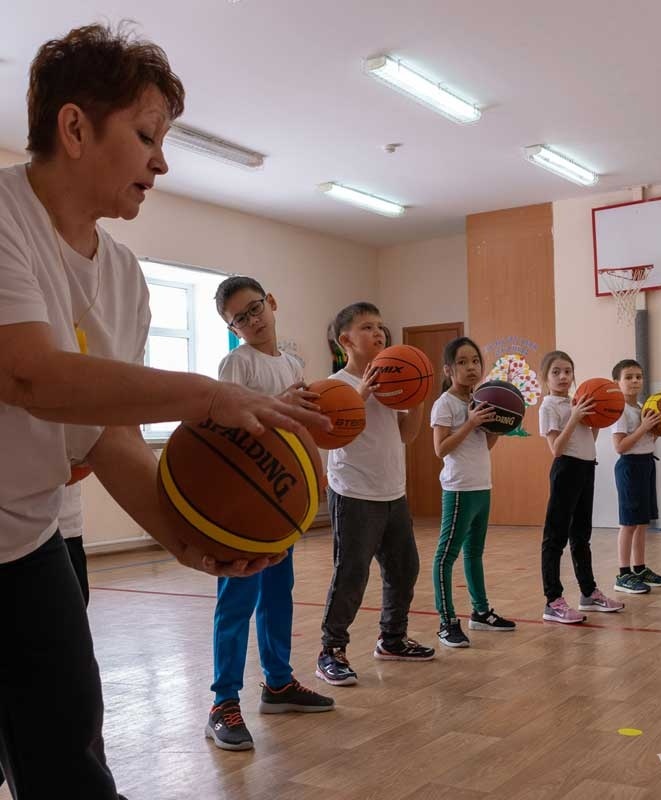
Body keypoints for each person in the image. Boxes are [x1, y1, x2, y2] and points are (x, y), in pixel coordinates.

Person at [0, 24, 327, 799]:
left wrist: (188, 541)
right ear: (74, 128)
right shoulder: (3, 219)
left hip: (29, 540)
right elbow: (31, 377)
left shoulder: (123, 278)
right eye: (146, 135)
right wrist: (210, 394)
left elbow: (107, 437)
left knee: (70, 765)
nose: (161, 160)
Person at [206, 276, 334, 752]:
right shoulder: (235, 364)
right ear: (231, 326)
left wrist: (316, 474)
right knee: (237, 601)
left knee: (280, 594)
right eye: (239, 318)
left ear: (272, 303)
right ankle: (222, 702)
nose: (252, 321)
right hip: (242, 503)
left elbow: (298, 429)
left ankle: (278, 684)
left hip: (282, 502)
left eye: (256, 308)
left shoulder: (294, 364)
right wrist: (277, 405)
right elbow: (226, 430)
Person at [316, 302, 434, 686]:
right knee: (351, 574)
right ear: (346, 340)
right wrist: (362, 395)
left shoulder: (395, 382)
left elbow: (407, 435)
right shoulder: (335, 386)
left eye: (381, 327)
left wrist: (416, 399)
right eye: (368, 327)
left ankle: (392, 639)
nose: (379, 333)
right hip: (353, 492)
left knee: (404, 570)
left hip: (392, 491)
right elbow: (334, 434)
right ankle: (331, 651)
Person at [430, 336, 515, 647]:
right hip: (459, 489)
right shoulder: (445, 404)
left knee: (475, 553)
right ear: (449, 370)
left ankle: (480, 612)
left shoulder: (480, 400)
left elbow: (487, 444)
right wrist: (469, 423)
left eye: (476, 361)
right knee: (445, 556)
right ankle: (446, 620)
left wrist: (497, 426)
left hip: (482, 486)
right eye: (463, 362)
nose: (471, 367)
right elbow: (440, 449)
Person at [538, 351, 623, 623]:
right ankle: (553, 601)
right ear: (546, 377)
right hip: (566, 470)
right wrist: (574, 417)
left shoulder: (580, 401)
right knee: (555, 538)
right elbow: (556, 448)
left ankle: (588, 593)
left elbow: (591, 437)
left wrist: (596, 416)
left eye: (568, 371)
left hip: (587, 468)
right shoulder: (548, 406)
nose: (563, 376)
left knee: (581, 535)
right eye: (556, 372)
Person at [610, 359, 661, 594]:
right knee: (628, 523)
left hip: (646, 464)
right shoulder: (620, 410)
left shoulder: (643, 407)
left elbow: (647, 439)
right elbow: (620, 446)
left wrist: (657, 429)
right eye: (629, 377)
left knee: (642, 522)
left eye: (638, 376)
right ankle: (623, 574)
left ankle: (640, 568)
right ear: (618, 383)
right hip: (629, 466)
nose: (635, 380)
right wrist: (645, 428)